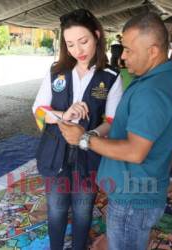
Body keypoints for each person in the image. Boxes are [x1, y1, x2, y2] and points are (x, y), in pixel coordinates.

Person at [58, 12, 172, 250]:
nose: (122, 56)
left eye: (128, 50)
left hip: (133, 200)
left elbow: (135, 152)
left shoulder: (151, 92)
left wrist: (83, 138)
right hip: (138, 192)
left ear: (153, 51)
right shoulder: (156, 78)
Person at [32, 9, 123, 250]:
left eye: (83, 42)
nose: (78, 50)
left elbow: (112, 122)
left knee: (83, 211)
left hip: (87, 154)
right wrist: (65, 114)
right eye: (70, 44)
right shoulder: (56, 72)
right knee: (56, 209)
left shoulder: (111, 77)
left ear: (96, 36)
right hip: (55, 154)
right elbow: (38, 113)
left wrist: (89, 135)